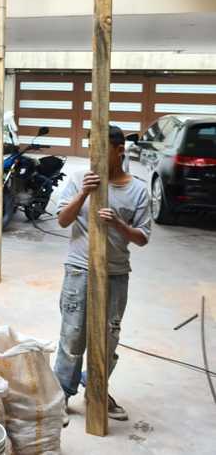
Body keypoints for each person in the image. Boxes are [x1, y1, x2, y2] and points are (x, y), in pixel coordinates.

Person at [54, 125, 151, 426]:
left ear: (119, 150)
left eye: (101, 150)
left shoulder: (138, 190)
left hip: (116, 273)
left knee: (108, 337)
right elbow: (62, 220)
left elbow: (143, 237)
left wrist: (120, 225)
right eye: (90, 150)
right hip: (79, 270)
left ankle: (97, 389)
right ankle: (61, 395)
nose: (93, 157)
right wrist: (84, 193)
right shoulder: (78, 179)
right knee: (72, 336)